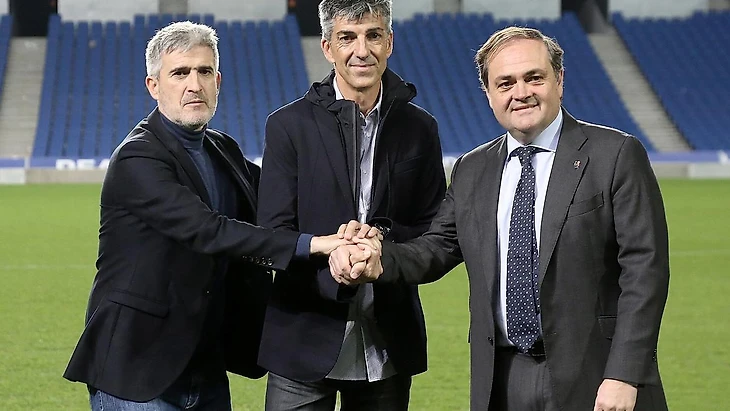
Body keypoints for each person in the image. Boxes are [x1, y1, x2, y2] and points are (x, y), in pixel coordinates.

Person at [331, 26, 670, 411]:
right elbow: (437, 248)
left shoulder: (616, 154)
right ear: (489, 94)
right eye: (505, 83)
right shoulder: (473, 168)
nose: (520, 93)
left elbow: (645, 271)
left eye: (534, 78)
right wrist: (378, 258)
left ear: (559, 80)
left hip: (595, 374)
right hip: (503, 378)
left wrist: (624, 374)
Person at [62, 21, 369, 411]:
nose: (195, 84)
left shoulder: (222, 147)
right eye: (180, 73)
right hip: (137, 369)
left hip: (204, 363)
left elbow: (282, 199)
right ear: (153, 86)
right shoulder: (137, 157)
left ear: (218, 81)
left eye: (204, 71)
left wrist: (353, 231)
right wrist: (315, 244)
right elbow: (208, 231)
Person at [255, 0, 447, 409]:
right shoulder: (287, 126)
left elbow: (435, 230)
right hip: (302, 338)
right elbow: (272, 234)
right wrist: (332, 253)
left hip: (388, 343)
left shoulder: (420, 128)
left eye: (373, 35)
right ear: (327, 47)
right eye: (347, 37)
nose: (362, 50)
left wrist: (382, 241)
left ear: (389, 42)